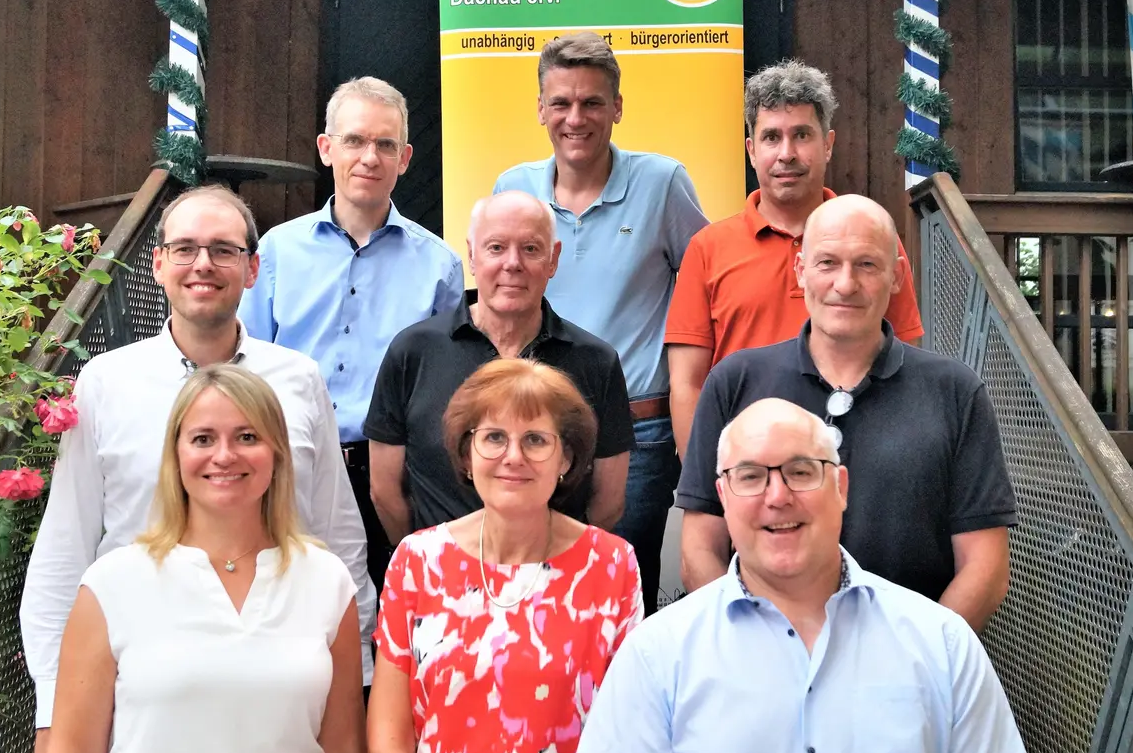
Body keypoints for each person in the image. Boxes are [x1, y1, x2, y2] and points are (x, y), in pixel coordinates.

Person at [20, 185, 375, 753]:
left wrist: (354, 682)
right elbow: (66, 546)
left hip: (276, 678)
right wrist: (54, 706)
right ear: (157, 263)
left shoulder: (298, 379)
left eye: (223, 249)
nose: (203, 264)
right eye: (184, 248)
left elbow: (336, 534)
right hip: (146, 682)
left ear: (253, 268)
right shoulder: (108, 382)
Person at [559, 399, 1040, 753]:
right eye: (749, 477)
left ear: (841, 487)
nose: (777, 497)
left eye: (801, 472)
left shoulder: (942, 642)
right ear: (723, 498)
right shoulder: (657, 656)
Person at [38, 364, 371, 753]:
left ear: (277, 454)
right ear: (175, 456)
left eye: (248, 437)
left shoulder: (328, 582)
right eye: (203, 439)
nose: (225, 455)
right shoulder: (112, 584)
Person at [677, 195, 1016, 632]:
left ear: (896, 276)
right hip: (761, 668)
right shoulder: (735, 382)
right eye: (827, 263)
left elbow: (985, 568)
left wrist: (915, 660)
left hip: (907, 670)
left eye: (867, 265)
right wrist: (754, 649)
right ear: (801, 271)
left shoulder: (954, 392)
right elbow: (699, 549)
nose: (845, 283)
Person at [494, 31, 709, 615]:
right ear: (540, 109)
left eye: (592, 102)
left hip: (639, 436)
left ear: (617, 107)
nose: (575, 118)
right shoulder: (513, 188)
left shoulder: (662, 184)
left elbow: (704, 288)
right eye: (560, 103)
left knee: (618, 597)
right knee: (532, 595)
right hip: (534, 430)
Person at [368, 358, 643, 753]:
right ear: (466, 454)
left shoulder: (611, 565)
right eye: (494, 437)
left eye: (535, 440)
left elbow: (628, 742)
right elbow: (386, 747)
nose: (513, 457)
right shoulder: (417, 561)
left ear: (566, 459)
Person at [240, 76, 465, 593]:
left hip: (395, 474)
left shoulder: (439, 266)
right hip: (289, 470)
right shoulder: (275, 254)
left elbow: (446, 388)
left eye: (386, 144)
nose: (370, 157)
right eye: (355, 140)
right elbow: (244, 367)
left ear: (405, 158)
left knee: (394, 622)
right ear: (326, 148)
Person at [666, 59, 924, 460]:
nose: (786, 154)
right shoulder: (707, 248)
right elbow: (688, 383)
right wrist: (703, 478)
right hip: (748, 475)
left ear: (828, 144)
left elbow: (907, 362)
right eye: (771, 137)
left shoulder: (874, 240)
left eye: (801, 135)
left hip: (863, 461)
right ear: (752, 150)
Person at [364, 190, 634, 539]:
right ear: (472, 255)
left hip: (556, 582)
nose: (512, 263)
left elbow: (608, 501)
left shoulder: (596, 362)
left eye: (531, 249)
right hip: (441, 581)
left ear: (553, 260)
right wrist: (428, 561)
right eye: (496, 247)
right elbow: (386, 492)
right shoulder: (412, 352)